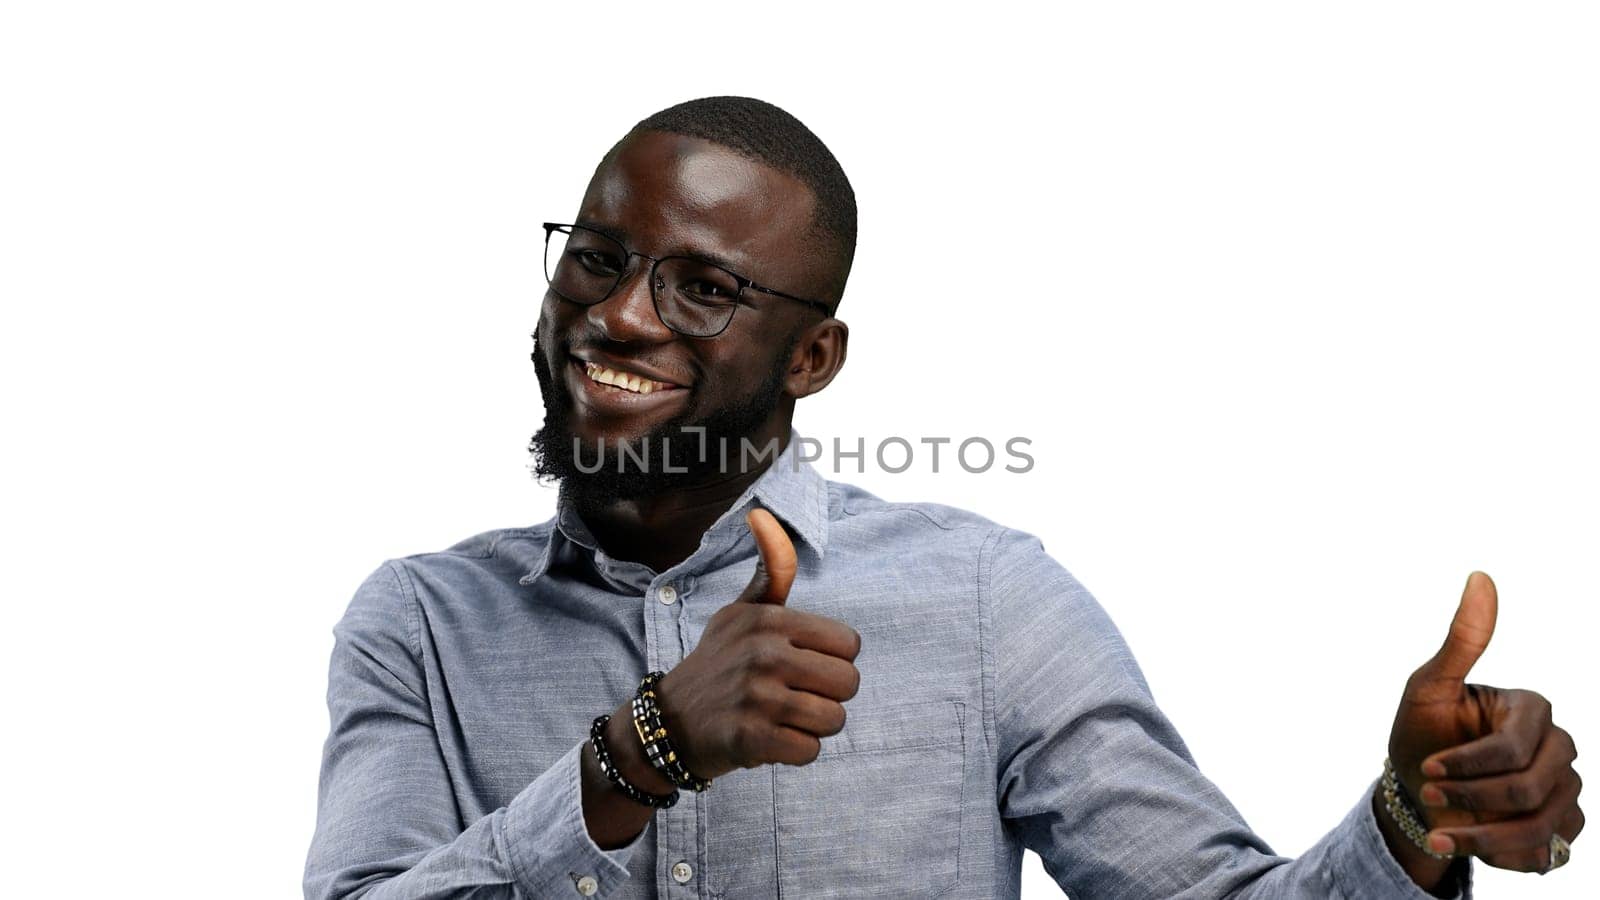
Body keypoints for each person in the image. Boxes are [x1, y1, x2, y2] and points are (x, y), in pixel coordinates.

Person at [304, 96, 1583, 899]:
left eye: (702, 287)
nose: (619, 315)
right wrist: (632, 755)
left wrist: (1414, 816)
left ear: (812, 360)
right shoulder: (419, 623)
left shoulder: (982, 600)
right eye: (596, 258)